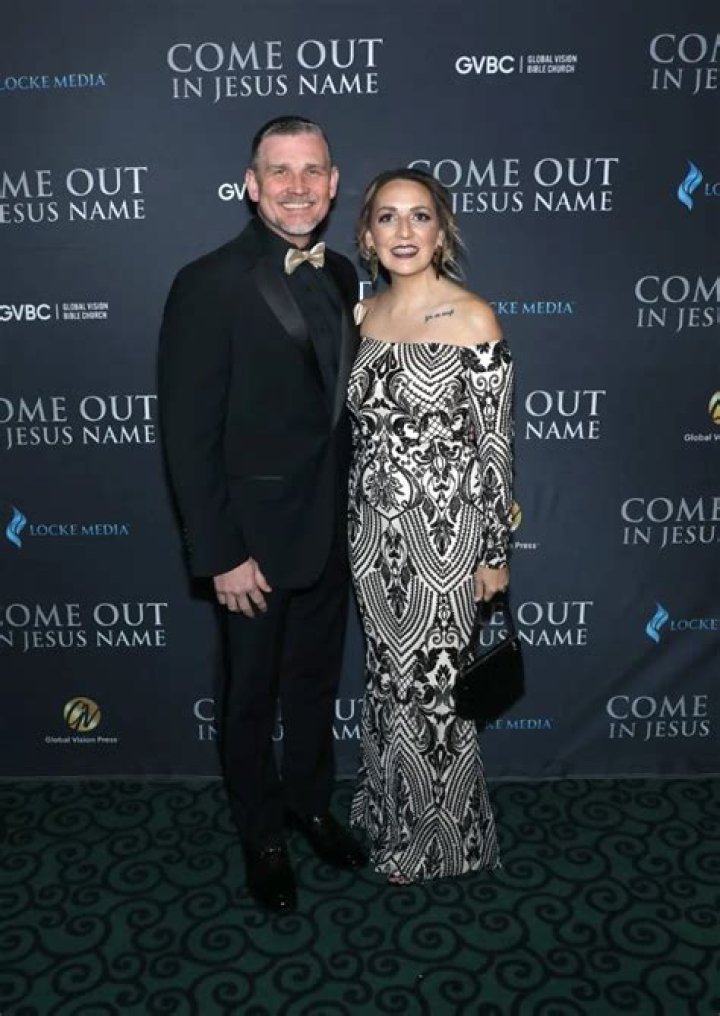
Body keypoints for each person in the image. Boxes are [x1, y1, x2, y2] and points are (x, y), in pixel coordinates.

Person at [157, 116, 366, 913]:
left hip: (332, 529)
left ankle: (310, 805)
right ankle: (261, 834)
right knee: (249, 695)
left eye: (312, 170)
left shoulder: (343, 273)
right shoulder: (207, 281)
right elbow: (187, 434)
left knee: (314, 682)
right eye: (280, 170)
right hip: (251, 542)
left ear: (334, 183)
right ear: (251, 185)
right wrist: (220, 552)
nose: (297, 186)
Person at [348, 168, 514, 883]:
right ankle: (387, 812)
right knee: (388, 681)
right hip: (369, 532)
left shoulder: (473, 317)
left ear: (442, 232)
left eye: (420, 216)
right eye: (387, 217)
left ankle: (441, 843)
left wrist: (493, 553)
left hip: (446, 538)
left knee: (437, 691)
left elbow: (495, 447)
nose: (404, 231)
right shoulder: (362, 316)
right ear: (367, 235)